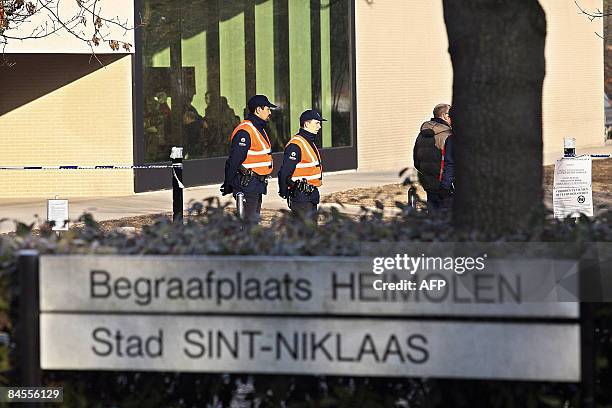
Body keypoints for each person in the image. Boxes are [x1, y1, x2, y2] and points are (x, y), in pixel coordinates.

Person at [220, 95, 276, 223]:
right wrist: (228, 183)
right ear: (258, 110)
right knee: (248, 225)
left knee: (252, 223)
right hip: (247, 184)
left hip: (256, 184)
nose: (270, 112)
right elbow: (234, 161)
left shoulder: (258, 128)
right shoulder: (245, 131)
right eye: (267, 109)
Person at [277, 109, 325, 223]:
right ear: (307, 124)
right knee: (304, 233)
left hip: (310, 195)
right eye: (317, 123)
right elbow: (284, 172)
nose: (319, 126)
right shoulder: (296, 145)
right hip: (301, 197)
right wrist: (284, 192)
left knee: (311, 233)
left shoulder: (308, 141)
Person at [413, 103, 455, 210]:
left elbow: (417, 161)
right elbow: (450, 163)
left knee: (433, 217)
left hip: (429, 184)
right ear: (445, 116)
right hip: (445, 187)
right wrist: (446, 186)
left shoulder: (422, 134)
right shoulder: (448, 136)